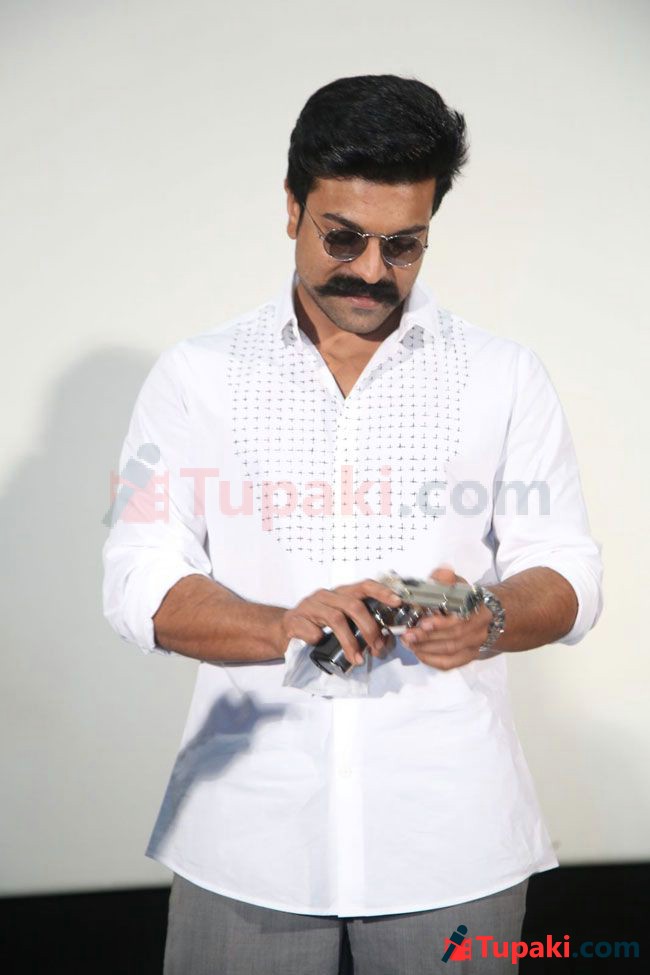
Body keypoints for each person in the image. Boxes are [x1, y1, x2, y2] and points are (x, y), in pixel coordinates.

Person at [102, 74, 603, 974]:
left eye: (403, 246)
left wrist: (488, 616)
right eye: (343, 237)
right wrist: (280, 625)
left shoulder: (505, 376)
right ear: (291, 207)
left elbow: (569, 571)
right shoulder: (193, 376)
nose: (372, 270)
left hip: (452, 840)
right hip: (243, 836)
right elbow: (136, 575)